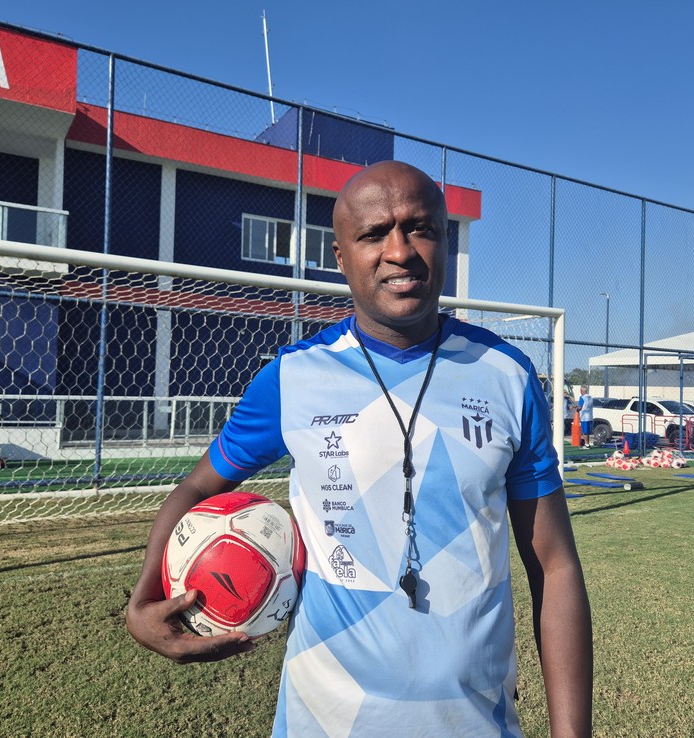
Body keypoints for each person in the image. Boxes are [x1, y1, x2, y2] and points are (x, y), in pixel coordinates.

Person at [126, 161, 593, 737]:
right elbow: (200, 486)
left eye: (420, 228)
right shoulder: (292, 378)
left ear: (445, 240)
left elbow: (554, 565)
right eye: (374, 234)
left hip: (476, 723)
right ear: (341, 257)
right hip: (323, 722)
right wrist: (145, 594)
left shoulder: (506, 376)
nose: (399, 251)